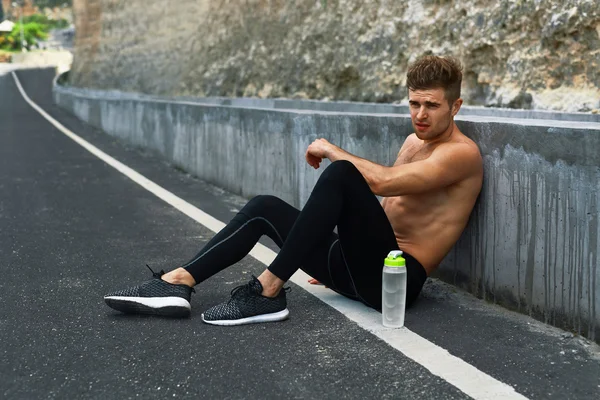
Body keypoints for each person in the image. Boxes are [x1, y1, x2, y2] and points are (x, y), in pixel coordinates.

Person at [104, 55, 483, 326]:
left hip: (394, 281)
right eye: (414, 103)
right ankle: (179, 281)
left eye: (432, 105)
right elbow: (386, 209)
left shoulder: (460, 155)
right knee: (264, 206)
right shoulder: (413, 142)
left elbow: (380, 183)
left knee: (344, 174)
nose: (420, 114)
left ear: (456, 106)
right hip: (360, 266)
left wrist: (332, 151)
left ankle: (268, 291)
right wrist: (335, 252)